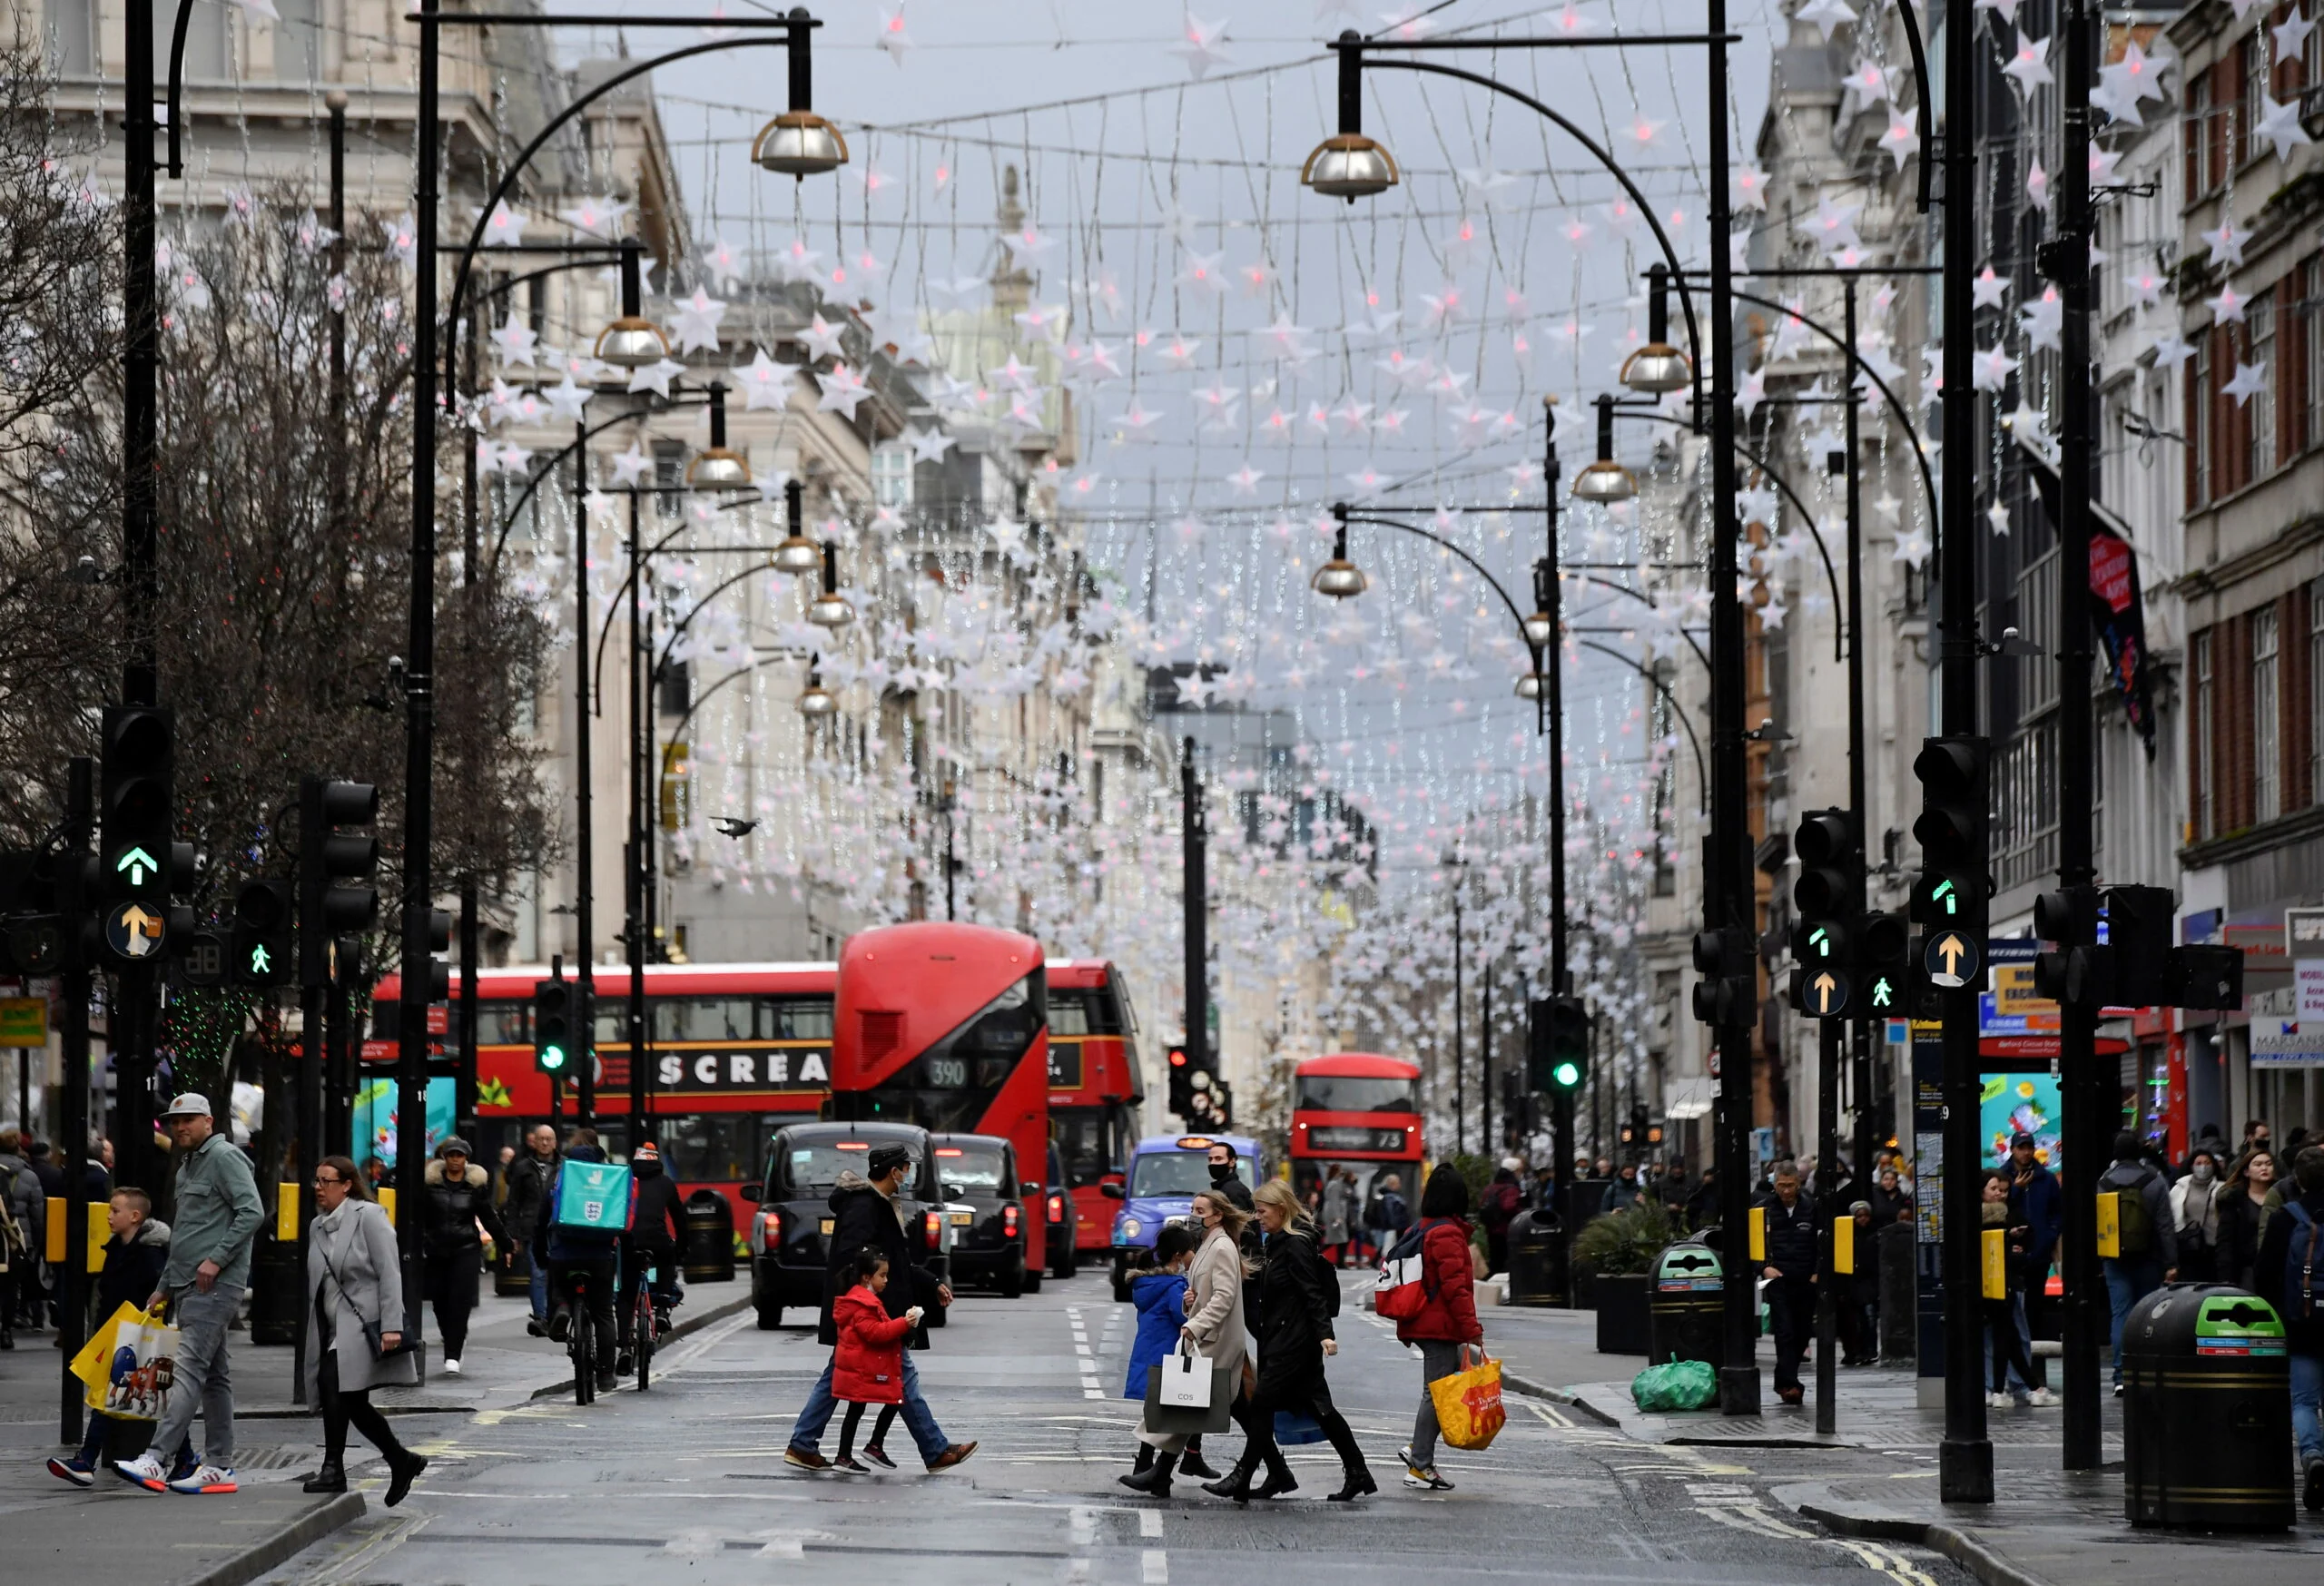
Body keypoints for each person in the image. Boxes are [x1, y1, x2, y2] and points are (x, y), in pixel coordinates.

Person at [783, 1142, 975, 1473]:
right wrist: (869, 1307)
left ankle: (803, 1444)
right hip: (869, 1313)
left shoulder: (879, 1204)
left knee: (839, 1378)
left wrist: (931, 1282)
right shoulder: (864, 1206)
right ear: (893, 1171)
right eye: (907, 1168)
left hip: (873, 1310)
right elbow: (852, 1260)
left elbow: (895, 1262)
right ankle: (934, 1450)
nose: (909, 1174)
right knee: (901, 1378)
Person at [112, 1095, 262, 1494]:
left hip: (213, 1284)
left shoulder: (224, 1157)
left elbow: (252, 1212)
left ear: (209, 1121)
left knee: (189, 1370)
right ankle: (220, 1466)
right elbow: (186, 1234)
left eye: (189, 1120)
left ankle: (156, 1458)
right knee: (214, 1377)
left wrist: (216, 1260)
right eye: (175, 1121)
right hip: (188, 1284)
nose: (180, 1127)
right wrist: (164, 1285)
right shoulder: (187, 1166)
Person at [1216, 1179, 1375, 1503]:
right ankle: (1357, 1471)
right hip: (1282, 1338)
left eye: (1262, 1211)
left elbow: (1311, 1292)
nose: (1258, 1217)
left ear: (1281, 1209)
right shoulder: (1276, 1242)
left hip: (1294, 1343)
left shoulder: (1296, 1244)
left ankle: (1245, 1475)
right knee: (1320, 1409)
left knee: (1262, 1404)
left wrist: (1325, 1335)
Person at [300, 1155, 427, 1505]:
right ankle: (400, 1459)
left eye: (326, 1181)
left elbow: (389, 1272)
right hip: (332, 1327)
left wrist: (392, 1326)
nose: (318, 1188)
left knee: (333, 1384)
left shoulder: (368, 1216)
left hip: (361, 1323)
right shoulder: (317, 1226)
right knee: (350, 1400)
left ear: (346, 1185)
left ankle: (334, 1469)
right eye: (316, 1180)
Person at [45, 1187, 192, 1486]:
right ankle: (183, 1459)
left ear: (135, 1216)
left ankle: (88, 1460)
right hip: (119, 1334)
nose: (109, 1216)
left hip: (139, 1336)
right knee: (141, 1398)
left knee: (136, 1397)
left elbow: (159, 1294)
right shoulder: (116, 1247)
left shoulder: (150, 1253)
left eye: (115, 1210)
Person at [1395, 1163, 1482, 1492]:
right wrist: (1471, 1328)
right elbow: (1455, 1288)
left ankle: (1417, 1448)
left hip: (1424, 1322)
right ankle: (1419, 1466)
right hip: (1438, 1326)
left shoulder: (1421, 1227)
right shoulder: (1447, 1233)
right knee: (1434, 1394)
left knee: (1443, 1385)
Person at [2254, 1145, 2324, 1510]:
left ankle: (2313, 1456)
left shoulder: (2286, 1218)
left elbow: (2264, 1273)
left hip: (2301, 1322)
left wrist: (2277, 1314)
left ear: (2297, 1179)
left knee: (2304, 1400)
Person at [1118, 1223, 1202, 1494]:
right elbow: (1182, 1317)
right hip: (1168, 1355)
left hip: (1147, 1353)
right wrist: (1192, 1303)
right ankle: (1152, 1469)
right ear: (1178, 1255)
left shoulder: (1146, 1284)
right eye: (1190, 1250)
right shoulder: (1174, 1286)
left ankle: (1150, 1467)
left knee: (1157, 1413)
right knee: (1171, 1415)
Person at [535, 1128, 621, 1394]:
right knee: (603, 1314)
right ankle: (605, 1374)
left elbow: (541, 1221)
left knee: (558, 1284)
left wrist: (540, 1254)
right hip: (600, 1257)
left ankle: (561, 1308)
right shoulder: (610, 1179)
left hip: (565, 1255)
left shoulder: (559, 1177)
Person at [2097, 1129, 2177, 1394]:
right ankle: (2146, 1371)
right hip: (2149, 1257)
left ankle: (2121, 1374)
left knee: (2120, 1314)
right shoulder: (2154, 1180)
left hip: (2115, 1259)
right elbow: (2165, 1225)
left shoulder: (2104, 1182)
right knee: (2148, 1315)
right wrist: (2171, 1262)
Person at [831, 1246, 921, 1473]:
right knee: (863, 1408)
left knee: (887, 1401)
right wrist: (904, 1323)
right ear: (866, 1277)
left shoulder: (865, 1300)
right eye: (882, 1275)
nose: (886, 1280)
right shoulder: (862, 1304)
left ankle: (871, 1447)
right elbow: (875, 1333)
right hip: (863, 1369)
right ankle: (848, 1455)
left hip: (864, 1366)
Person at [419, 1137, 504, 1377]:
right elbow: (419, 1217)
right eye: (451, 1155)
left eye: (460, 1156)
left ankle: (453, 1354)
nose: (455, 1160)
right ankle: (452, 1337)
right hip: (436, 1250)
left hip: (466, 1249)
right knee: (439, 1302)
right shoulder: (430, 1186)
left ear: (466, 1159)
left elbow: (488, 1217)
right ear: (444, 1158)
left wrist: (506, 1244)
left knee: (459, 1301)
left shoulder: (474, 1187)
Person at [617, 1141, 686, 1374]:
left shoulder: (625, 1182)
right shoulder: (666, 1183)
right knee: (667, 1257)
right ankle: (663, 1308)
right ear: (656, 1161)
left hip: (630, 1242)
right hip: (658, 1241)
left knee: (626, 1295)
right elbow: (679, 1218)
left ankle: (624, 1347)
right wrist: (682, 1248)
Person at [1757, 1161, 1817, 1406]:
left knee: (1802, 1332)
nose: (1786, 1190)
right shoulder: (1763, 1210)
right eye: (1781, 1185)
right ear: (1775, 1184)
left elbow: (1823, 1240)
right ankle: (1789, 1384)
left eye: (1790, 1185)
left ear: (1798, 1184)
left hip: (1805, 1279)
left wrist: (1817, 1272)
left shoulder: (1811, 1208)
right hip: (1778, 1280)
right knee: (1784, 1331)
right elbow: (1753, 1243)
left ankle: (1785, 1380)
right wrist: (1763, 1268)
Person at [1981, 1171, 2043, 1408]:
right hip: (1995, 1284)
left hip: (2010, 1282)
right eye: (1994, 1189)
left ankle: (2009, 1387)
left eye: (2004, 1190)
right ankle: (2002, 1387)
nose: (2000, 1194)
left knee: (2011, 1336)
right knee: (2004, 1336)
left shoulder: (2011, 1213)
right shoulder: (1989, 1218)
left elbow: (2027, 1242)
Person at [502, 1123, 558, 1335]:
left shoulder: (564, 1166)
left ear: (555, 1142)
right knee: (538, 1273)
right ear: (534, 1142)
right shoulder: (523, 1167)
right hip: (532, 1228)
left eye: (548, 1139)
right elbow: (513, 1202)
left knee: (556, 1274)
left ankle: (554, 1316)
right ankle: (541, 1317)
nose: (544, 1143)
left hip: (558, 1228)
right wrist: (512, 1234)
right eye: (541, 1139)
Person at [0, 1128, 43, 1340]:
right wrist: (36, 1240)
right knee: (10, 1286)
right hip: (16, 1239)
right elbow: (37, 1213)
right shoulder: (29, 1176)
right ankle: (6, 1329)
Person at [2217, 1148, 2280, 1289]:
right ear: (2246, 1172)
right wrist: (2225, 1277)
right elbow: (2225, 1242)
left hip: (2276, 1269)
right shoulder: (2234, 1201)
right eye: (2258, 1164)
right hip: (2246, 1269)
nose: (2264, 1168)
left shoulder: (2283, 1195)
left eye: (2268, 1164)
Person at [2169, 1148, 2227, 1284]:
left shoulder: (2223, 1188)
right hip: (2190, 1249)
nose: (2203, 1167)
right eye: (2198, 1163)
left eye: (2207, 1163)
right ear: (2192, 1166)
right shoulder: (2180, 1188)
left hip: (2215, 1248)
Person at [1479, 1166, 1522, 1277]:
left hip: (1491, 1228)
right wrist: (1520, 1211)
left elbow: (1481, 1205)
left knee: (1495, 1259)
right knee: (1508, 1259)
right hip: (1505, 1230)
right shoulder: (1511, 1189)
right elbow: (1509, 1207)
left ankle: (1494, 1279)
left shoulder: (1489, 1189)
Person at [1321, 1169, 1354, 1268]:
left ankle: (1340, 1261)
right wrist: (1337, 1217)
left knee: (1340, 1240)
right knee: (1336, 1240)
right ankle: (1314, 1255)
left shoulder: (1336, 1184)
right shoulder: (1335, 1185)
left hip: (1339, 1214)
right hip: (1336, 1216)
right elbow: (1334, 1201)